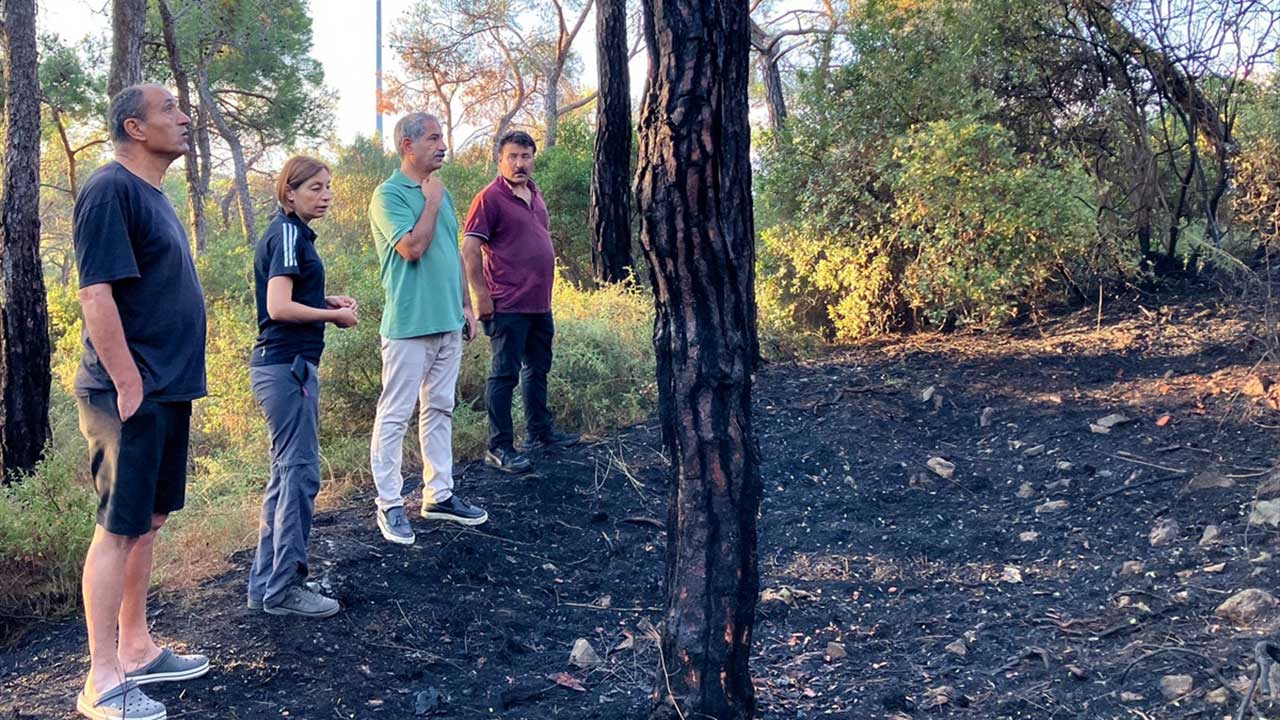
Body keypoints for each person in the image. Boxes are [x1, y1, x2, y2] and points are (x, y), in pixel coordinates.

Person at [72, 84, 210, 720]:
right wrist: (129, 383)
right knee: (117, 529)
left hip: (165, 387)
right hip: (129, 391)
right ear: (134, 125)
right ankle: (102, 682)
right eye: (169, 111)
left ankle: (136, 649)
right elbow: (95, 294)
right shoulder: (109, 189)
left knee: (147, 523)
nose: (184, 117)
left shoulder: (155, 195)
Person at [245, 156, 358, 618]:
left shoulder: (289, 234)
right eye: (315, 187)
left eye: (328, 187)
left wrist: (323, 300)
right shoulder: (289, 233)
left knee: (286, 476)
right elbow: (278, 307)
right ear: (289, 193)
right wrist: (332, 315)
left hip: (284, 367)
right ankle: (285, 589)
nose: (326, 195)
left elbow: (290, 297)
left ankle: (264, 586)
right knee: (300, 476)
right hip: (288, 368)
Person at [369, 112, 486, 546]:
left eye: (443, 137)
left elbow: (450, 250)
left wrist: (465, 305)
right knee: (396, 414)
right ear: (408, 145)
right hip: (408, 326)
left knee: (440, 409)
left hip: (447, 322)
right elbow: (412, 248)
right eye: (434, 138)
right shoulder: (388, 195)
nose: (443, 145)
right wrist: (431, 199)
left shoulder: (443, 191)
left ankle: (439, 494)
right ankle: (389, 503)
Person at [462, 131, 580, 474]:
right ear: (500, 159)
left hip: (539, 303)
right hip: (507, 304)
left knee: (538, 368)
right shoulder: (489, 198)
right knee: (504, 375)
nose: (520, 163)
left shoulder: (535, 193)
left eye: (526, 156)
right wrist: (480, 297)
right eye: (512, 156)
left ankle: (540, 434)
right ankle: (499, 447)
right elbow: (470, 250)